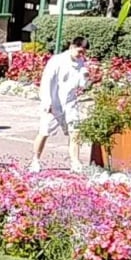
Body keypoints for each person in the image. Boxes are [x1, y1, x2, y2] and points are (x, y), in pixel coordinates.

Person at [33, 36, 91, 171]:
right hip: (54, 103)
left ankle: (75, 162)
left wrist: (85, 77)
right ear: (72, 47)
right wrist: (47, 101)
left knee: (75, 132)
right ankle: (35, 160)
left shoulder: (81, 62)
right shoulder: (57, 61)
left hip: (70, 103)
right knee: (44, 131)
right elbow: (47, 81)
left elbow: (82, 84)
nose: (81, 55)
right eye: (79, 51)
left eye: (84, 53)